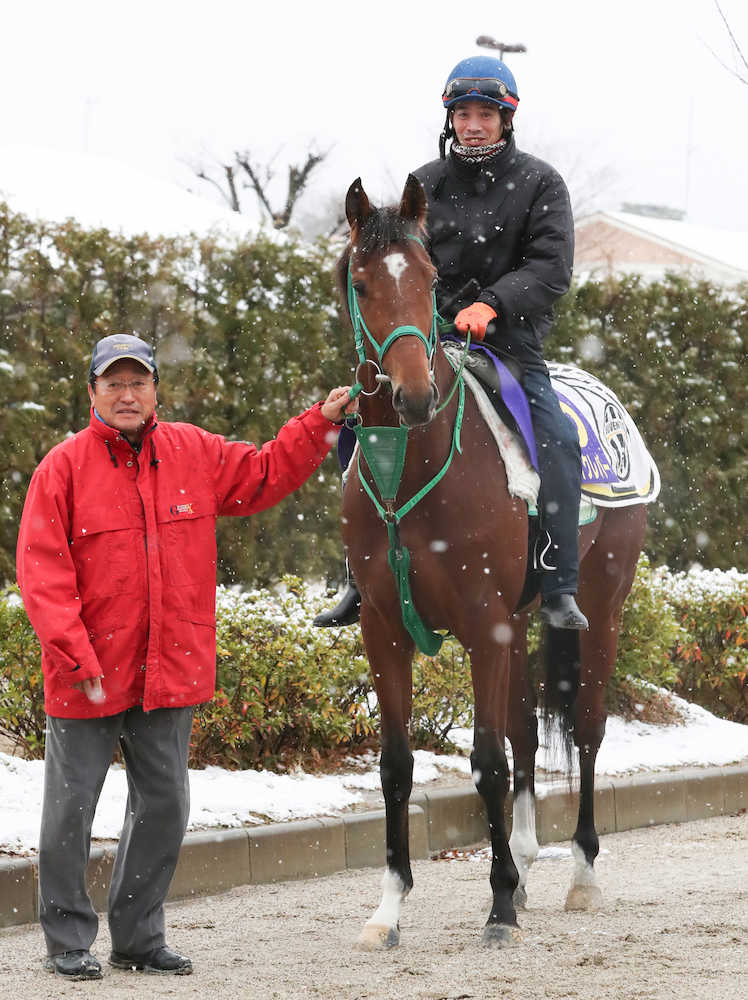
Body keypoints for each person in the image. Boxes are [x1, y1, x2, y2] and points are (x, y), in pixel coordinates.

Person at [16, 333, 357, 980]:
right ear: (91, 393)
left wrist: (321, 422)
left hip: (168, 672)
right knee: (69, 810)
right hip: (86, 675)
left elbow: (261, 474)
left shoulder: (193, 452)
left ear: (154, 392)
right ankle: (67, 939)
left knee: (166, 806)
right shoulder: (61, 469)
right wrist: (75, 654)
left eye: (137, 381)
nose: (126, 394)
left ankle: (138, 939)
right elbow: (42, 572)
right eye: (112, 383)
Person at [314, 55, 587, 631]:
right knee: (356, 426)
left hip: (508, 345)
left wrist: (494, 303)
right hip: (428, 342)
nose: (472, 124)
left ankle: (560, 584)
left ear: (506, 119)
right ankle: (355, 577)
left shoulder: (542, 183)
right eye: (462, 113)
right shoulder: (426, 184)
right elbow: (397, 265)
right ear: (450, 119)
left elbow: (551, 267)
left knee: (559, 437)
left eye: (485, 114)